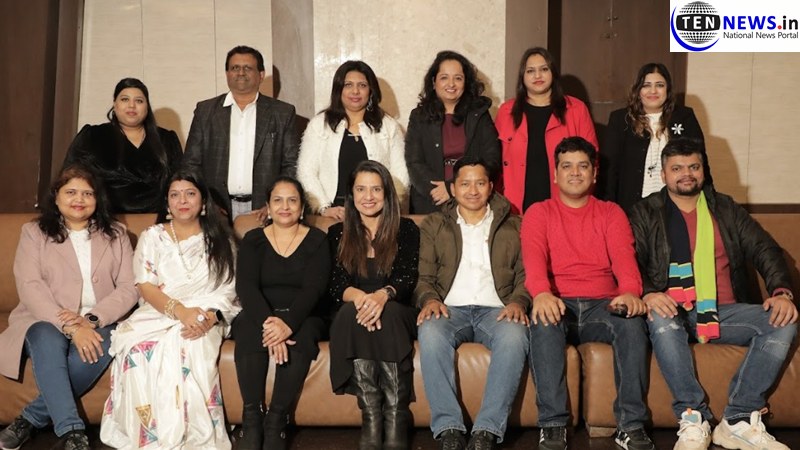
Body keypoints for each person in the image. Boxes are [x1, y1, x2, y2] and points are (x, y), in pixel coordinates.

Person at [628, 138, 798, 450]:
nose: (686, 174)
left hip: (723, 311)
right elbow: (629, 260)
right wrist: (649, 293)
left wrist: (781, 292)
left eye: (693, 166)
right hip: (671, 310)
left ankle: (738, 418)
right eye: (677, 168)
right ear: (663, 175)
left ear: (703, 170)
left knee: (783, 321)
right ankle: (693, 417)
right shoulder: (645, 212)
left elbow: (765, 249)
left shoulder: (726, 209)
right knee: (661, 318)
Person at [522, 137, 654, 450]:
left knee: (632, 324)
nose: (575, 172)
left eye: (583, 166)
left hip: (602, 305)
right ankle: (552, 425)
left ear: (594, 174)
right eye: (567, 166)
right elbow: (533, 261)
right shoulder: (539, 212)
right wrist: (541, 293)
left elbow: (624, 259)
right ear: (556, 174)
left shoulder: (611, 213)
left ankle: (630, 425)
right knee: (542, 321)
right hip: (558, 303)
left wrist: (630, 292)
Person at [100, 169, 240, 449]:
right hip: (159, 313)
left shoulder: (221, 239)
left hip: (206, 316)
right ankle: (149, 438)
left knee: (190, 346)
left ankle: (193, 439)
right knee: (138, 350)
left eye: (190, 193)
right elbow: (145, 285)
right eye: (174, 195)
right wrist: (180, 312)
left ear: (203, 201)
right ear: (166, 202)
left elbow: (230, 289)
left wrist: (208, 317)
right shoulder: (153, 237)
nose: (182, 201)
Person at [0, 166, 138, 450]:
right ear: (57, 196)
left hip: (100, 322)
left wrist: (92, 319)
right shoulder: (34, 233)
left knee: (104, 341)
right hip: (44, 319)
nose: (79, 199)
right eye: (71, 192)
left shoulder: (117, 234)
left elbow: (129, 287)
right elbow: (30, 285)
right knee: (46, 338)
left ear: (97, 199)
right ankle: (73, 431)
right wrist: (71, 326)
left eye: (88, 193)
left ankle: (28, 419)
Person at [415, 156, 530, 450]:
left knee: (515, 335)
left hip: (497, 311)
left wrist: (518, 301)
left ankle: (486, 431)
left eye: (480, 183)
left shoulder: (515, 225)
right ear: (453, 188)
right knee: (429, 331)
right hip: (449, 310)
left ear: (491, 187)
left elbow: (526, 275)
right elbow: (424, 277)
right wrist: (429, 299)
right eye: (465, 184)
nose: (473, 190)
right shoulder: (434, 224)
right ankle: (449, 429)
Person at [232, 176, 331, 450]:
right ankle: (252, 418)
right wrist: (270, 325)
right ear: (268, 206)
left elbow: (314, 289)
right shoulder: (253, 239)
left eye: (292, 200)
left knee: (303, 334)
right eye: (277, 200)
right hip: (261, 312)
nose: (285, 206)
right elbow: (246, 287)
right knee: (246, 327)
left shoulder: (317, 240)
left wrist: (288, 324)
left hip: (304, 313)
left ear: (302, 207)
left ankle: (276, 420)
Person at [328, 160, 419, 450]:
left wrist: (383, 295)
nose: (368, 196)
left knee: (388, 313)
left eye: (376, 189)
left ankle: (394, 415)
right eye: (361, 189)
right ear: (351, 194)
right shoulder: (337, 233)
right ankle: (371, 416)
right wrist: (361, 298)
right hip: (355, 307)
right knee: (347, 313)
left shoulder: (406, 229)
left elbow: (408, 278)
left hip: (397, 307)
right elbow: (335, 283)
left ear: (387, 193)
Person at [183, 45, 299, 220]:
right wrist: (206, 202)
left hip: (264, 211)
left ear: (261, 75)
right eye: (235, 68)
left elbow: (291, 164)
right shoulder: (205, 111)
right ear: (227, 74)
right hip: (217, 210)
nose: (241, 73)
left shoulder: (282, 113)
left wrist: (275, 203)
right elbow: (191, 164)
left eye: (248, 68)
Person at [297, 60, 409, 221]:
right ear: (339, 89)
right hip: (333, 213)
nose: (355, 91)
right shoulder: (320, 124)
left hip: (376, 212)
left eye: (362, 85)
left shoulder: (388, 125)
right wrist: (324, 207)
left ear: (371, 90)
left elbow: (400, 173)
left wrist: (386, 205)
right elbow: (306, 170)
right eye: (348, 85)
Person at [495, 47, 598, 215]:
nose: (537, 76)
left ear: (553, 73)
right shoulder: (507, 111)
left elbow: (593, 159)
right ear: (522, 76)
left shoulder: (576, 109)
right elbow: (495, 161)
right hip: (515, 208)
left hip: (565, 206)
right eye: (530, 71)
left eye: (544, 69)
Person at [601, 63, 711, 212]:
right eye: (646, 85)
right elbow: (610, 169)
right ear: (638, 90)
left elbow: (701, 162)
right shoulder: (620, 119)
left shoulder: (684, 116)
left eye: (659, 85)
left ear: (668, 89)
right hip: (632, 206)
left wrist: (710, 201)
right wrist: (607, 208)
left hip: (677, 204)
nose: (653, 91)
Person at [63, 77, 183, 214]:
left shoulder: (167, 139)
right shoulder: (92, 136)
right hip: (104, 219)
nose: (132, 105)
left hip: (159, 219)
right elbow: (70, 178)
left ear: (147, 107)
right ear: (115, 104)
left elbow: (180, 182)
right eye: (125, 99)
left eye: (139, 101)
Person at [405, 50, 501, 214]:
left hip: (473, 199)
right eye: (444, 77)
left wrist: (452, 187)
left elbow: (492, 159)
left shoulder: (479, 114)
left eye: (458, 78)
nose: (451, 84)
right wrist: (437, 191)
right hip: (430, 200)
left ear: (466, 83)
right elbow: (414, 162)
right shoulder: (419, 116)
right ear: (434, 82)